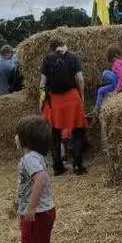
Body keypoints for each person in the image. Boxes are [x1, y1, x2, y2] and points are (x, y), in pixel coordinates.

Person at [14, 115, 56, 243]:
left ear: (25, 140)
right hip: (46, 211)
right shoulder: (37, 156)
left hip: (37, 214)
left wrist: (30, 208)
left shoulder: (30, 158)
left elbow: (40, 179)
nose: (15, 138)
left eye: (17, 135)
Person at [39, 39, 88, 175]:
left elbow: (42, 84)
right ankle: (77, 166)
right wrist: (82, 95)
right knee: (78, 131)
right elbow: (80, 79)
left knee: (55, 134)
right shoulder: (73, 57)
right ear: (64, 45)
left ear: (52, 48)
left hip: (55, 100)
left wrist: (41, 100)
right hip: (72, 98)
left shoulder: (47, 59)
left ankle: (57, 168)